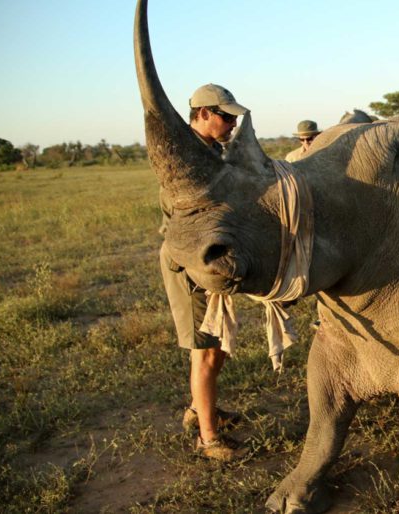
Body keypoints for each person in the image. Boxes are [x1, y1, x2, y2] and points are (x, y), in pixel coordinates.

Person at [160, 83, 247, 461]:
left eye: (233, 117)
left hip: (212, 261)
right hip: (192, 262)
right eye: (225, 116)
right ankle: (208, 438)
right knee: (205, 351)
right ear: (203, 114)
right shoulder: (185, 156)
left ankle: (200, 409)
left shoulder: (211, 151)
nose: (232, 123)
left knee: (220, 343)